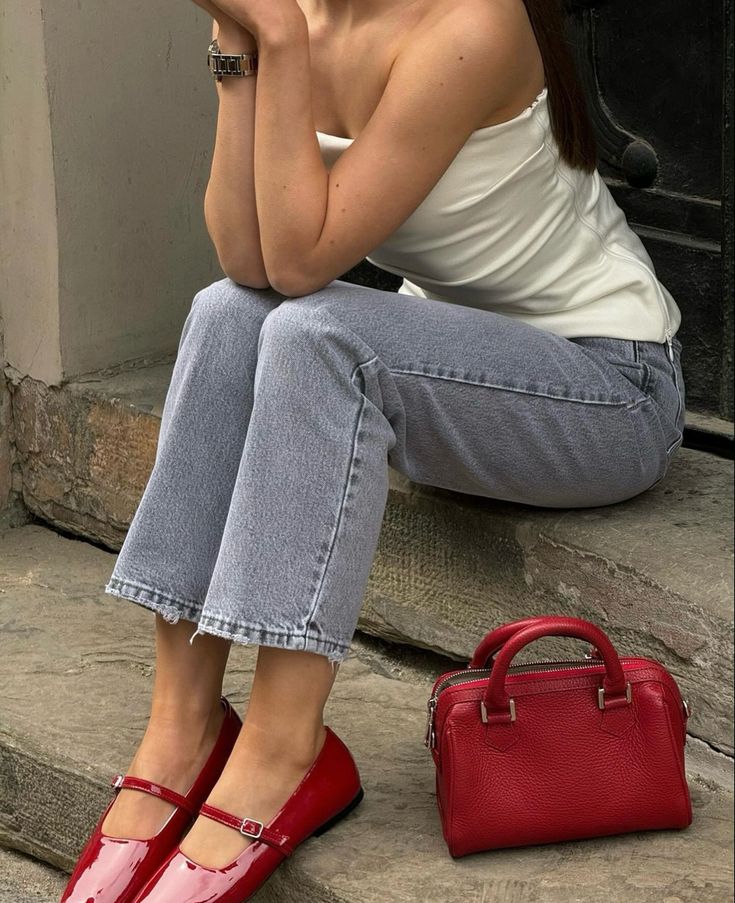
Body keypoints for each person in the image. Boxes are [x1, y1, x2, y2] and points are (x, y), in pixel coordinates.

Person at [60, 0, 686, 900]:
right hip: (445, 373)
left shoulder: (472, 25)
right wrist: (242, 45)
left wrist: (275, 38)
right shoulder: (289, 17)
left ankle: (284, 748)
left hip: (605, 388)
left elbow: (305, 261)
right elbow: (247, 258)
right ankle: (183, 725)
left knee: (318, 333)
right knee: (223, 311)